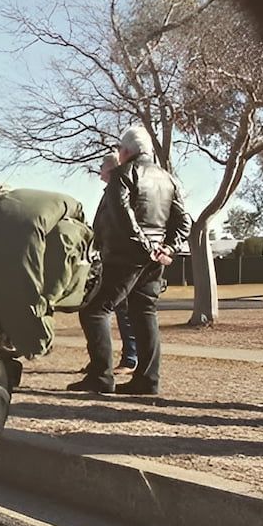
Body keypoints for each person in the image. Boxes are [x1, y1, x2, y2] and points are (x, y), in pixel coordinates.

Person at [68, 126, 190, 395]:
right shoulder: (168, 179)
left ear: (125, 152)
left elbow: (123, 217)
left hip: (126, 256)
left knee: (94, 310)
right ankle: (147, 380)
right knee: (143, 311)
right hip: (155, 258)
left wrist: (147, 247)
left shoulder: (122, 175)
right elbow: (184, 221)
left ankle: (101, 376)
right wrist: (165, 248)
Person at [92, 151, 138, 375]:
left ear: (110, 168)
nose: (99, 170)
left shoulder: (120, 191)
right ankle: (102, 361)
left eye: (102, 166)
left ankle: (130, 358)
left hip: (119, 258)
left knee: (120, 310)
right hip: (108, 256)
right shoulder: (110, 191)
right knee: (117, 309)